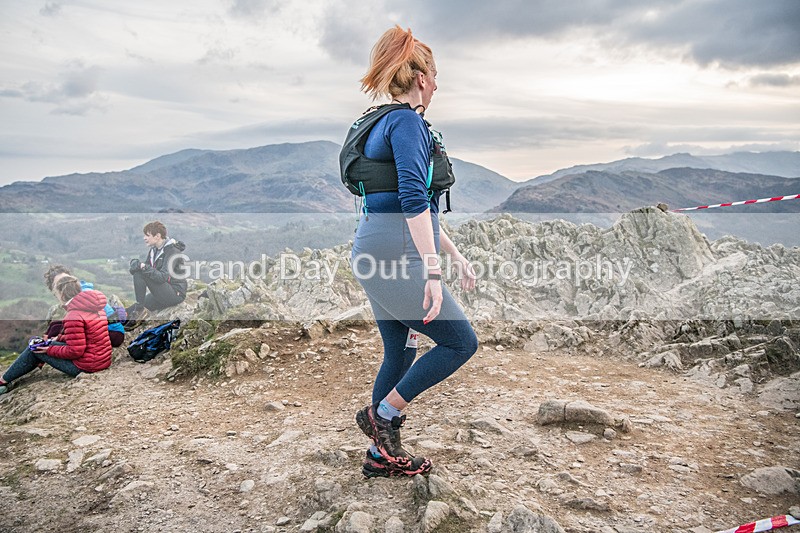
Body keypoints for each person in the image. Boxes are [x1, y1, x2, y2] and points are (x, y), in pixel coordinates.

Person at [344, 26, 478, 478]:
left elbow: (402, 207)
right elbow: (412, 200)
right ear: (421, 77)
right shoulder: (408, 122)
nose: (438, 86)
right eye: (436, 77)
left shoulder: (381, 119)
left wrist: (454, 255)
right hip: (397, 257)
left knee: (399, 354)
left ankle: (380, 457)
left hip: (373, 250)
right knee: (460, 341)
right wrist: (434, 275)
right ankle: (383, 416)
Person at [0, 275, 112, 394]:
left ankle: (3, 381)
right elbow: (87, 337)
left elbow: (75, 351)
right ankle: (7, 379)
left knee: (35, 349)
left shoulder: (74, 315)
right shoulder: (96, 307)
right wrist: (58, 338)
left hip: (86, 367)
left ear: (62, 295)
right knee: (42, 344)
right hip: (101, 360)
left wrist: (49, 349)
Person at [43, 264, 126, 347]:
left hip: (113, 333)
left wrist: (60, 337)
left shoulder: (82, 295)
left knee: (61, 332)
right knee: (55, 326)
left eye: (65, 279)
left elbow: (84, 325)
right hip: (108, 329)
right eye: (59, 283)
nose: (64, 283)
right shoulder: (79, 292)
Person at [129, 221, 187, 312]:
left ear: (157, 236)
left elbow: (162, 277)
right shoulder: (154, 250)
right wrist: (135, 264)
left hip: (175, 294)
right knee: (130, 310)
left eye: (147, 235)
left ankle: (139, 311)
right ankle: (114, 318)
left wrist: (143, 267)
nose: (144, 238)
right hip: (163, 292)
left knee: (140, 274)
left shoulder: (172, 251)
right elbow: (143, 269)